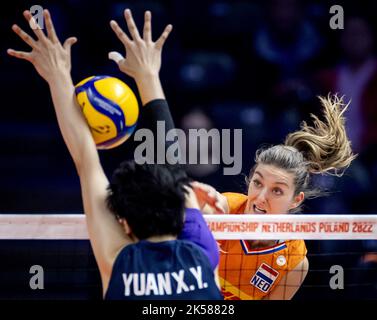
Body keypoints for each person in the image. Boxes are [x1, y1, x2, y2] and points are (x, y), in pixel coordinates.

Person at [8, 9, 222, 300]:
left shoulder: (120, 264)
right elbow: (169, 169)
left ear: (125, 224)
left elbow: (86, 159)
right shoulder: (202, 253)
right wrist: (148, 75)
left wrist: (57, 76)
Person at [192, 94, 356, 300]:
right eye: (257, 183)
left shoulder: (294, 260)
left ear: (296, 200)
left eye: (276, 190)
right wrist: (191, 197)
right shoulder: (224, 209)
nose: (260, 197)